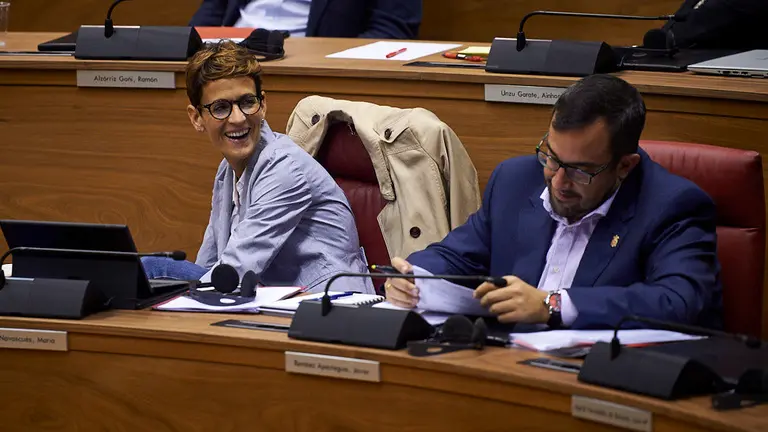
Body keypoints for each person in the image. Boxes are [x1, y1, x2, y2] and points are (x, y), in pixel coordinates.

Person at [384, 74, 722, 330]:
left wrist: (552, 304)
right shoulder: (515, 180)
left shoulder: (672, 205)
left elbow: (678, 300)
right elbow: (457, 254)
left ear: (624, 166)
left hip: (599, 374)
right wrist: (414, 276)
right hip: (504, 360)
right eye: (553, 158)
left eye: (580, 170)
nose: (558, 181)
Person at [141, 41, 374, 294]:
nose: (238, 118)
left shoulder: (285, 169)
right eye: (221, 108)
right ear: (196, 118)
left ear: (262, 105)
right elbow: (210, 263)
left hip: (329, 303)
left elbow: (235, 271)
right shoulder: (226, 172)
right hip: (275, 299)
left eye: (247, 102)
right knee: (147, 275)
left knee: (153, 270)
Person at [189, 0, 422, 40]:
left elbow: (392, 28)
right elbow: (215, 7)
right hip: (229, 50)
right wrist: (189, 44)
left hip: (307, 60)